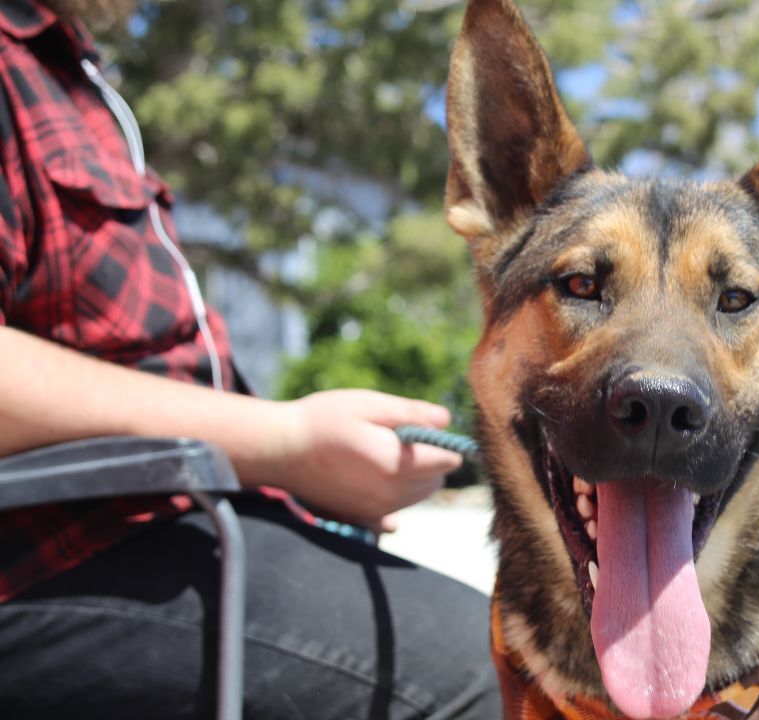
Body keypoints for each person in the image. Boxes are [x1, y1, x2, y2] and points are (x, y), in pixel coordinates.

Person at [0, 1, 500, 717]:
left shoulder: (65, 64)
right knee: (486, 679)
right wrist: (282, 442)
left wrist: (294, 462)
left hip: (184, 528)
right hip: (52, 565)